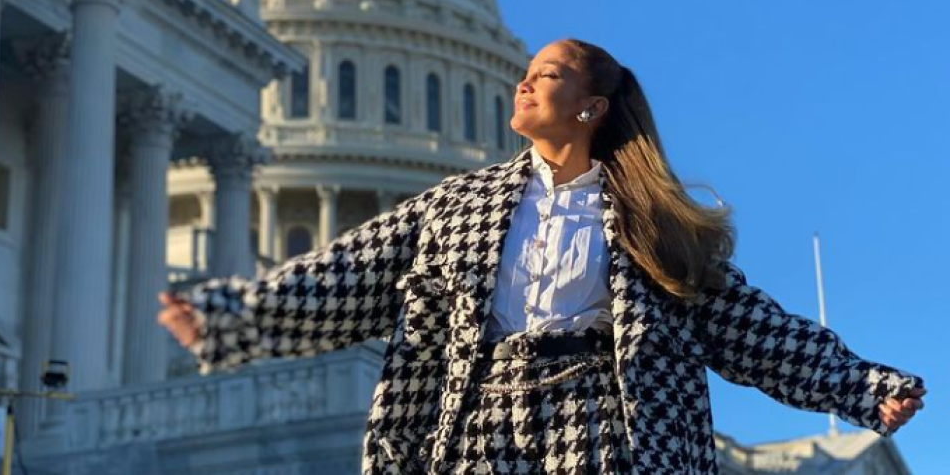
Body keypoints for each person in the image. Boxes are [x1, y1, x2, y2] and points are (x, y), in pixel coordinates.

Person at [159, 38, 925, 475]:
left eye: (548, 74)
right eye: (525, 71)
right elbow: (350, 273)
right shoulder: (457, 206)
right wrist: (231, 317)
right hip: (480, 422)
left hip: (602, 427)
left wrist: (857, 386)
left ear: (591, 108)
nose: (524, 81)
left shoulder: (648, 224)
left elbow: (748, 328)